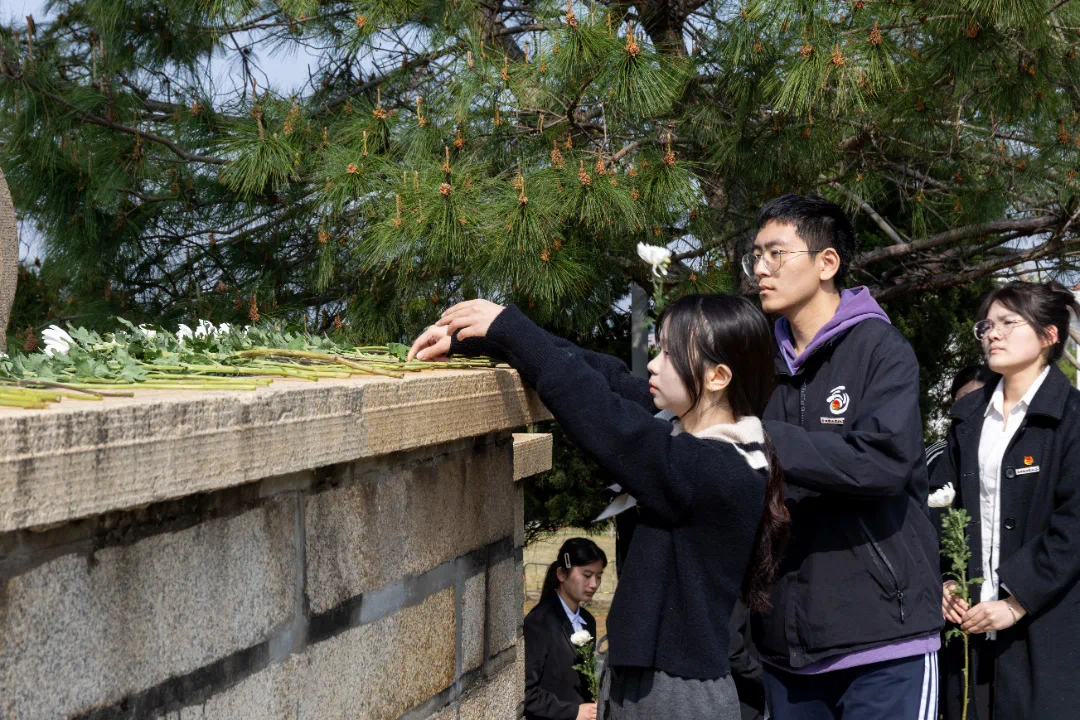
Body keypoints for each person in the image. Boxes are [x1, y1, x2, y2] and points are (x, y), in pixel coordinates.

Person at [409, 294, 789, 720]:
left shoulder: (721, 469)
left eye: (670, 354)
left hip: (675, 696)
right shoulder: (681, 429)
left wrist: (510, 328)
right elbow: (600, 375)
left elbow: (607, 418)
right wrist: (483, 339)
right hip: (642, 682)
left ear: (717, 377)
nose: (653, 365)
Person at [745, 194, 943, 719]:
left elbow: (883, 462)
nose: (761, 268)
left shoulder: (881, 348)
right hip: (785, 648)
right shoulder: (755, 360)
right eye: (755, 255)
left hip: (883, 641)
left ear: (826, 263)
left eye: (776, 253)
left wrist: (762, 438)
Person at [937, 281, 1080, 719]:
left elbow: (1074, 524)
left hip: (1045, 624)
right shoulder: (967, 416)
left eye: (1007, 323)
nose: (992, 334)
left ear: (1048, 335)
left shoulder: (1071, 418)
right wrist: (946, 580)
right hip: (969, 625)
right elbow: (940, 504)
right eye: (986, 325)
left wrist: (1016, 600)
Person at [525, 537, 606, 720]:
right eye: (587, 575)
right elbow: (526, 692)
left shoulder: (588, 621)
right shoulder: (539, 622)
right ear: (562, 574)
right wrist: (574, 712)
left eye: (598, 576)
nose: (594, 584)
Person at [926, 365, 995, 478]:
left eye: (983, 399)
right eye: (968, 398)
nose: (975, 406)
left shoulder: (1001, 454)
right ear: (954, 404)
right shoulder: (937, 456)